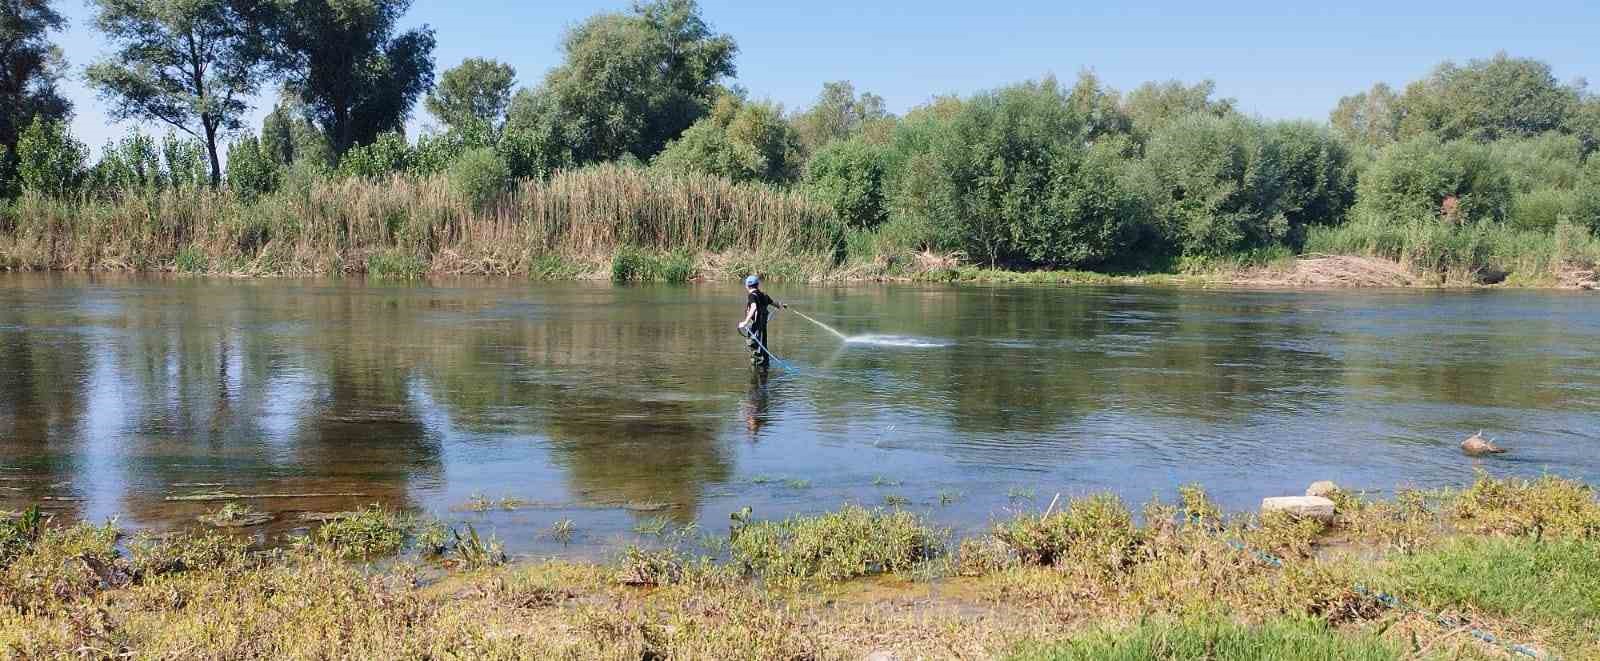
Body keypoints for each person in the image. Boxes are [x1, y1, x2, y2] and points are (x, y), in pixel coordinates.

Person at [737, 275, 785, 367]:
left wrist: (745, 322)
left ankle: (758, 372)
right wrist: (781, 305)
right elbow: (775, 304)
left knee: (756, 349)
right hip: (762, 327)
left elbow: (754, 307)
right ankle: (764, 370)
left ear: (747, 286)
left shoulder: (752, 295)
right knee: (763, 347)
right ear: (757, 285)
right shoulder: (764, 295)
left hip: (756, 327)